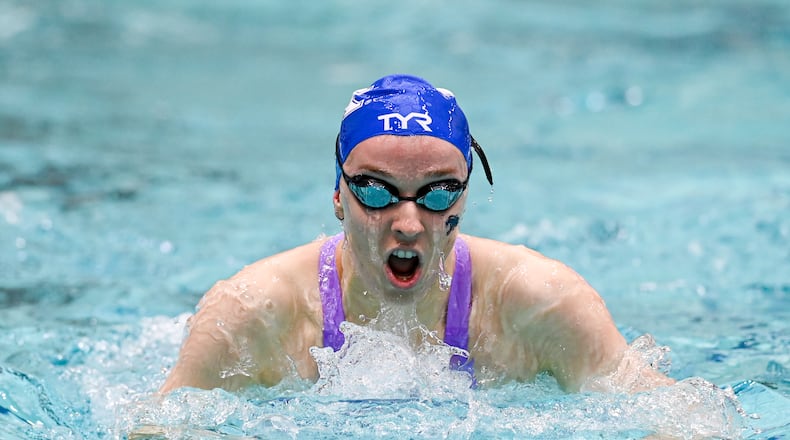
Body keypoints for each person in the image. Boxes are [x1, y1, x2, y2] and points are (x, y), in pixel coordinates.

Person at [159, 74, 674, 394]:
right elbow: (156, 429)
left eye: (437, 194)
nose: (408, 223)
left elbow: (680, 421)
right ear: (337, 195)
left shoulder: (541, 305)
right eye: (377, 192)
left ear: (465, 197)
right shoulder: (253, 314)